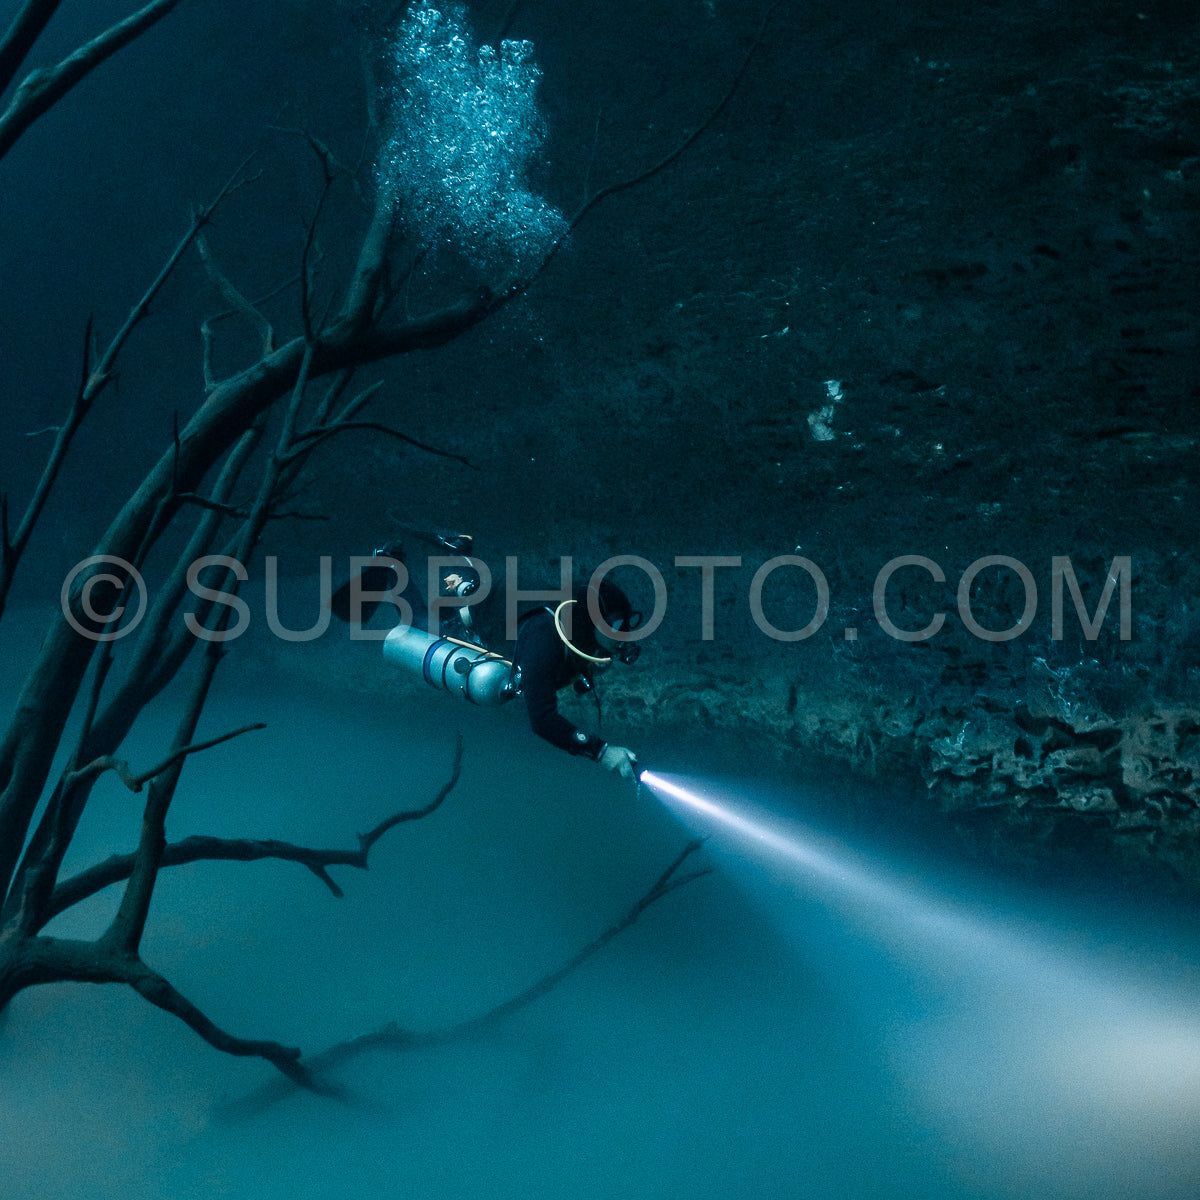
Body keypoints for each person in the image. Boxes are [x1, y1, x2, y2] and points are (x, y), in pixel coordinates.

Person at [514, 579, 641, 780]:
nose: (624, 632)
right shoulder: (544, 638)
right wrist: (602, 752)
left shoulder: (581, 636)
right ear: (591, 621)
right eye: (616, 624)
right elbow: (542, 719)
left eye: (627, 622)